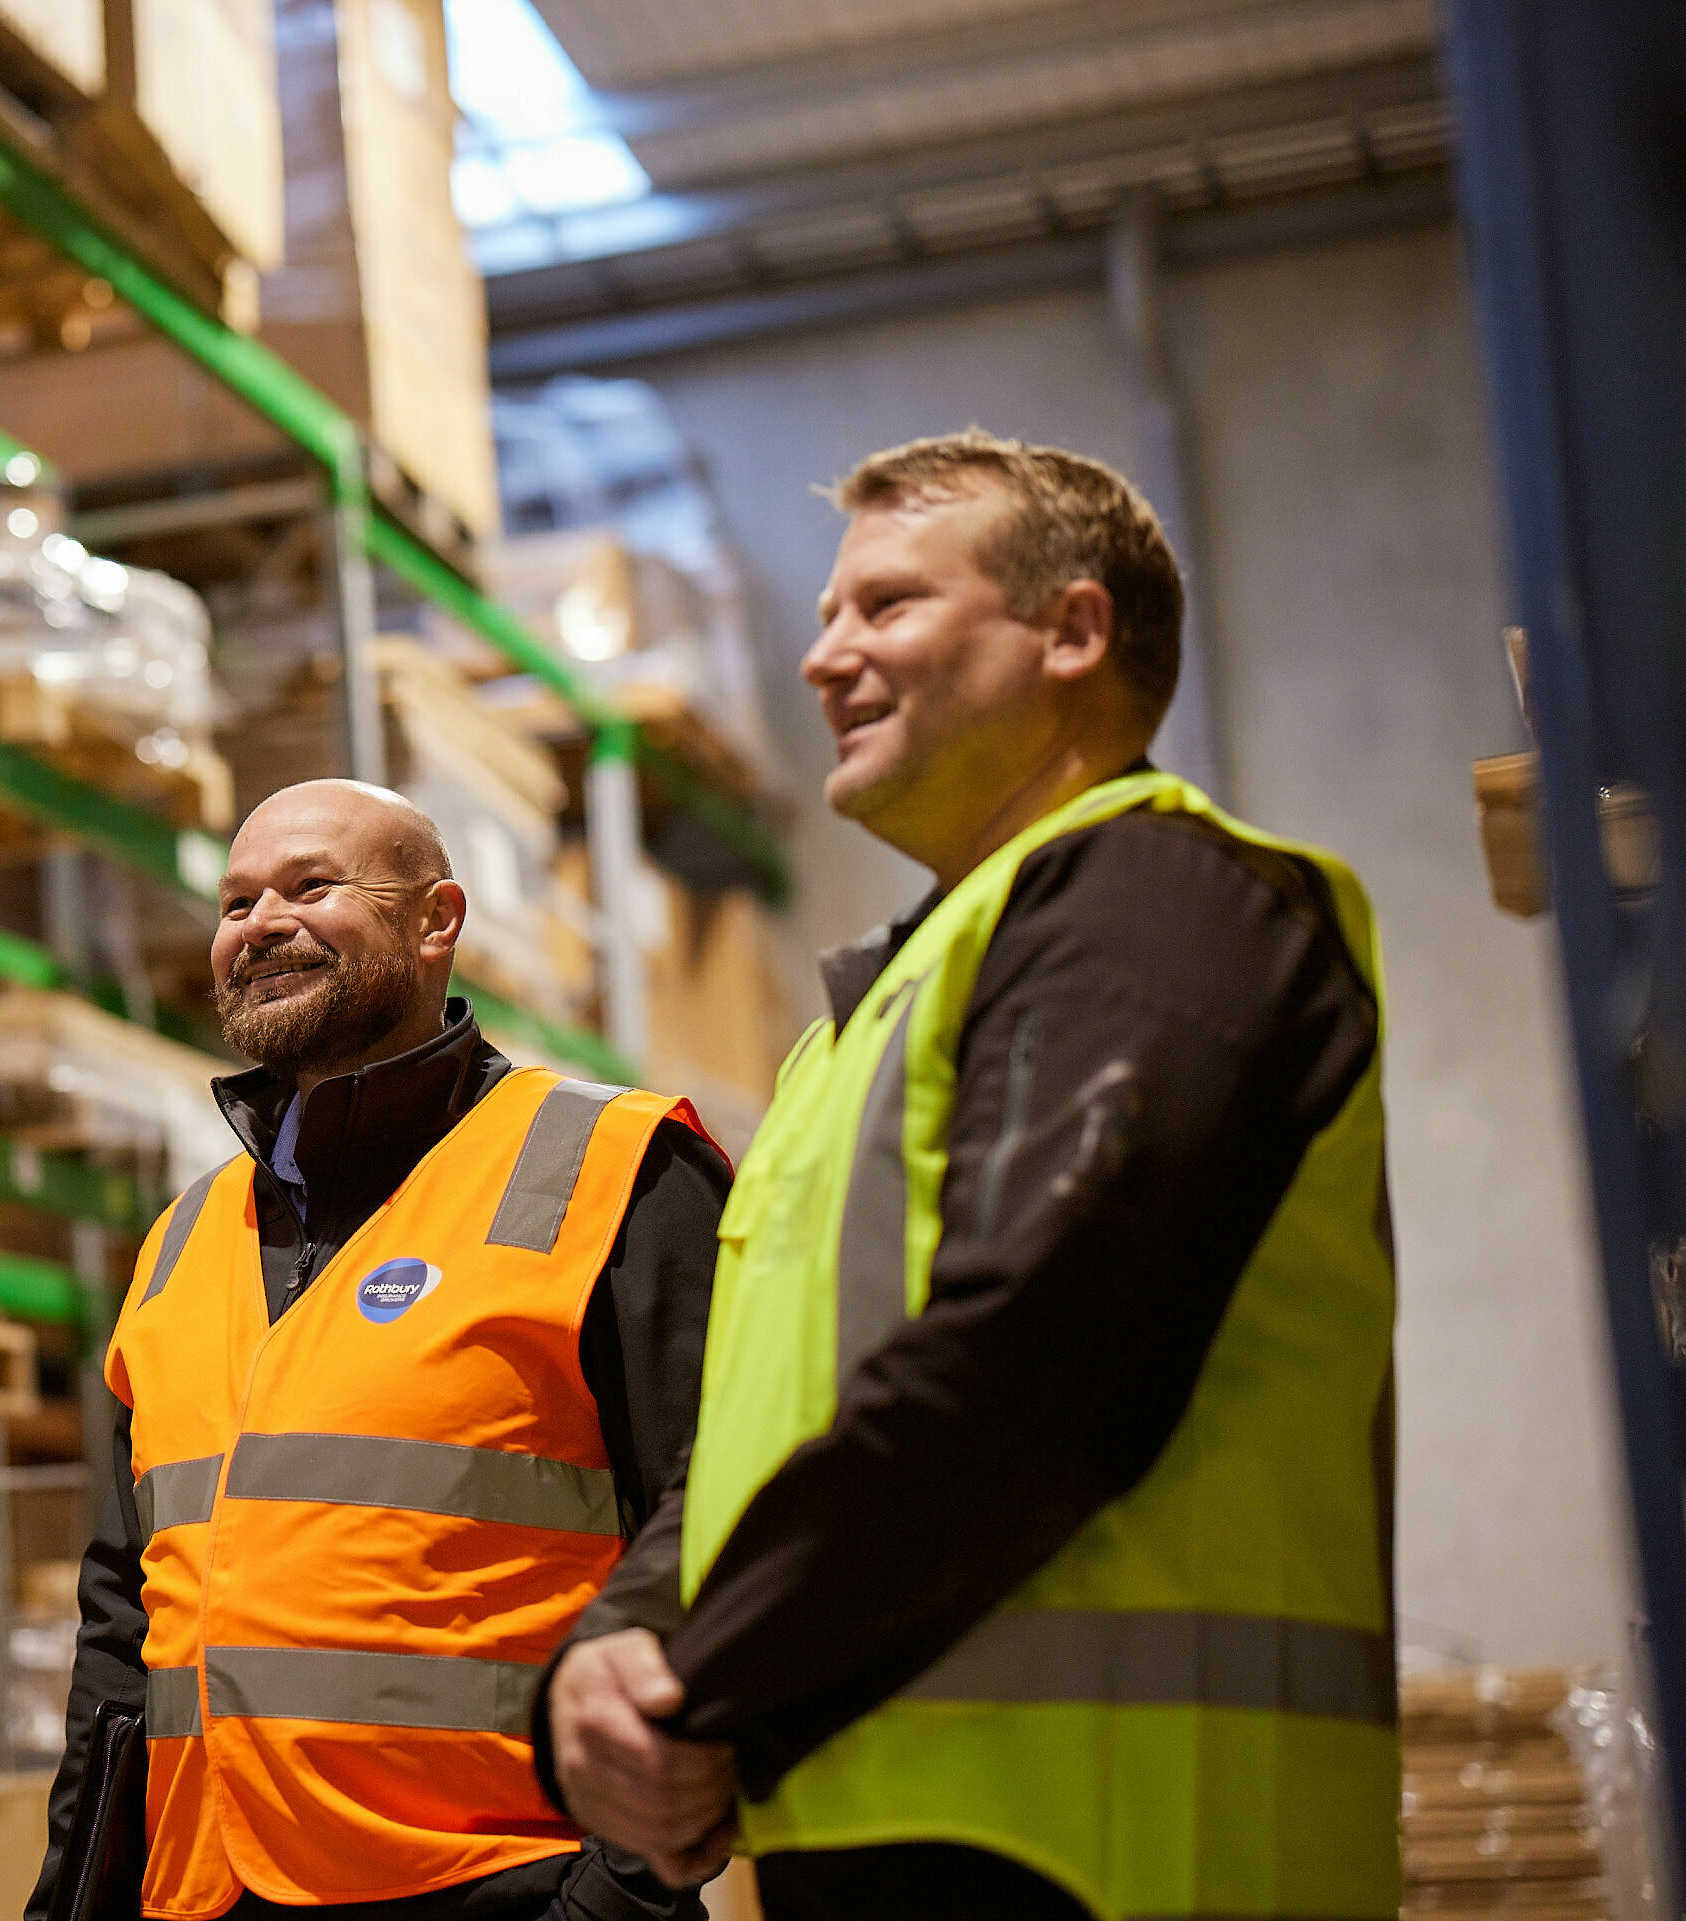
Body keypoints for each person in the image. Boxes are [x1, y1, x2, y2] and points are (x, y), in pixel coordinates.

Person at [539, 431, 1399, 1921]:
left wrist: (701, 1677)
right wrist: (619, 1642)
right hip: (880, 1825)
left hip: (1137, 1851)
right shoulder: (852, 1039)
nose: (826, 658)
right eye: (824, 616)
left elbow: (1044, 1355)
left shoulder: (1167, 904)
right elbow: (744, 1430)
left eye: (885, 607)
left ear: (1074, 630)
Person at [30, 778, 735, 1921]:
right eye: (236, 901)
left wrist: (622, 1896)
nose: (260, 923)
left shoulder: (614, 1173)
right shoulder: (183, 1240)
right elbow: (121, 1627)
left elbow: (724, 1535)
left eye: (312, 886)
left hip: (512, 1888)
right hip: (206, 1893)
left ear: (436, 918)